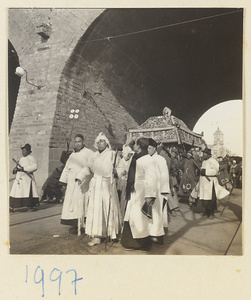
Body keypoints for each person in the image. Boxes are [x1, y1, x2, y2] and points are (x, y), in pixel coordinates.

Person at [121, 137, 158, 251]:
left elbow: (152, 178)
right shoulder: (135, 157)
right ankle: (130, 242)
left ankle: (142, 244)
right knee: (132, 216)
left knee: (140, 217)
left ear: (140, 146)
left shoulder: (148, 160)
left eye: (135, 144)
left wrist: (149, 195)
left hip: (142, 191)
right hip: (134, 190)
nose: (134, 146)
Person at [85, 132, 121, 246]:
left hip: (108, 184)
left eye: (102, 141)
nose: (100, 143)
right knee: (97, 209)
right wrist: (79, 177)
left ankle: (111, 232)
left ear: (107, 143)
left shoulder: (112, 154)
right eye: (98, 142)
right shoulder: (94, 155)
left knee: (109, 207)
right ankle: (97, 236)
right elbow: (88, 168)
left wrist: (117, 172)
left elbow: (121, 167)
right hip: (97, 184)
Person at [59, 134, 94, 234]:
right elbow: (67, 167)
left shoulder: (89, 153)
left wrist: (81, 177)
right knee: (72, 204)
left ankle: (84, 223)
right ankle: (74, 223)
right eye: (76, 142)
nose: (77, 143)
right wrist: (63, 181)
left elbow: (90, 167)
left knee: (81, 202)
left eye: (79, 141)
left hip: (82, 182)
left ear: (83, 141)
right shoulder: (72, 154)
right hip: (71, 183)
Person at [147, 138, 170, 244]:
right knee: (150, 213)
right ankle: (151, 233)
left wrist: (164, 191)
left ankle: (158, 236)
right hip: (149, 189)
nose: (148, 150)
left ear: (155, 149)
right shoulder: (147, 159)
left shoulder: (160, 159)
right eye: (147, 148)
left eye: (150, 148)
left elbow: (165, 175)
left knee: (157, 213)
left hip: (159, 190)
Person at [199, 148, 229, 220]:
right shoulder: (204, 161)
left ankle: (211, 213)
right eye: (203, 153)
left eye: (205, 153)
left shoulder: (213, 161)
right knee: (204, 199)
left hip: (210, 183)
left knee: (211, 199)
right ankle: (206, 211)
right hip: (204, 183)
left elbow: (215, 171)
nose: (203, 155)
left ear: (208, 154)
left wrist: (205, 172)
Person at [10, 144, 39, 212]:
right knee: (16, 192)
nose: (23, 152)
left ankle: (31, 206)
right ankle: (12, 206)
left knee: (27, 192)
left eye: (24, 150)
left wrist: (25, 168)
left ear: (28, 151)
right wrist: (15, 169)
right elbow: (18, 167)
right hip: (19, 177)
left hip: (27, 179)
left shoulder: (31, 158)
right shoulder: (21, 159)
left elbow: (35, 167)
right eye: (22, 150)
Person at [116, 144, 134, 219]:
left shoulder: (130, 161)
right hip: (123, 182)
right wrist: (124, 172)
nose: (130, 156)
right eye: (129, 154)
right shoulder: (121, 161)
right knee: (122, 198)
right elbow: (120, 171)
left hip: (128, 181)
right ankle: (121, 215)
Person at [168, 148, 180, 216]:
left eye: (174, 153)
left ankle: (175, 206)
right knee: (173, 191)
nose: (173, 154)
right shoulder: (171, 159)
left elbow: (174, 169)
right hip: (172, 176)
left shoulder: (175, 161)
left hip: (172, 177)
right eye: (172, 153)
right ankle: (175, 205)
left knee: (173, 191)